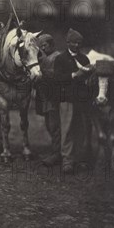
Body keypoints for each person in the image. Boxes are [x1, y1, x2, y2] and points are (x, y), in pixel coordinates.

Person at [54, 28, 93, 173]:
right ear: (67, 42)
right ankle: (67, 160)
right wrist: (74, 75)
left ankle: (79, 158)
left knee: (80, 128)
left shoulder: (84, 59)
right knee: (67, 128)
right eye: (74, 43)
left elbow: (88, 79)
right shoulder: (61, 59)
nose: (77, 45)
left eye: (79, 43)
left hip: (82, 100)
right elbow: (56, 79)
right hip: (67, 99)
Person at [35, 34, 62, 166]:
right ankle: (55, 151)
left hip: (53, 97)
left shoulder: (58, 57)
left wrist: (43, 74)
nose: (42, 49)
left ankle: (57, 154)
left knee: (54, 126)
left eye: (44, 46)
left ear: (51, 45)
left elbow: (57, 76)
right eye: (40, 47)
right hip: (44, 97)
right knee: (49, 125)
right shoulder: (43, 58)